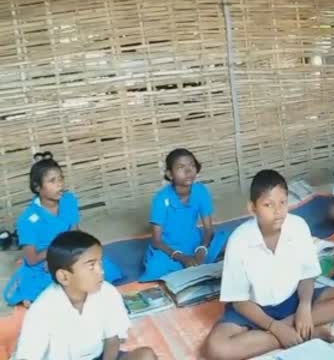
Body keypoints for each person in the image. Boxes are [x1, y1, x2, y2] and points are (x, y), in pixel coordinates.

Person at [203, 169, 334, 360]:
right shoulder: (239, 241)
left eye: (282, 203)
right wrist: (275, 328)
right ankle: (304, 333)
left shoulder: (298, 226)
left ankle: (291, 330)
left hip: (293, 300)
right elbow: (239, 300)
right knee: (217, 349)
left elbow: (307, 274)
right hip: (254, 308)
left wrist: (305, 307)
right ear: (252, 208)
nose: (278, 211)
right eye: (268, 205)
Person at [13, 230, 157, 360]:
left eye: (100, 263)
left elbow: (112, 339)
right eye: (91, 266)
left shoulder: (107, 292)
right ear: (64, 277)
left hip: (100, 356)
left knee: (146, 356)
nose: (101, 271)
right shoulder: (42, 311)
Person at [3, 153, 123, 307]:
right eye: (52, 181)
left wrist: (67, 254)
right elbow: (32, 259)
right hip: (42, 263)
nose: (59, 184)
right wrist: (54, 256)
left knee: (105, 269)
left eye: (61, 179)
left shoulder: (69, 200)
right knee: (49, 290)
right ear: (37, 187)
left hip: (68, 252)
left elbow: (75, 232)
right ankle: (27, 289)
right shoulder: (28, 219)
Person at [140, 148, 229, 281]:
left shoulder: (201, 191)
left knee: (231, 242)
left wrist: (202, 249)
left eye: (192, 166)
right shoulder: (161, 199)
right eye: (181, 167)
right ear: (170, 174)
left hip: (195, 241)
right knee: (155, 267)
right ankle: (195, 263)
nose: (188, 171)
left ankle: (199, 261)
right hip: (169, 247)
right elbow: (157, 241)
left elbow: (209, 230)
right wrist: (182, 257)